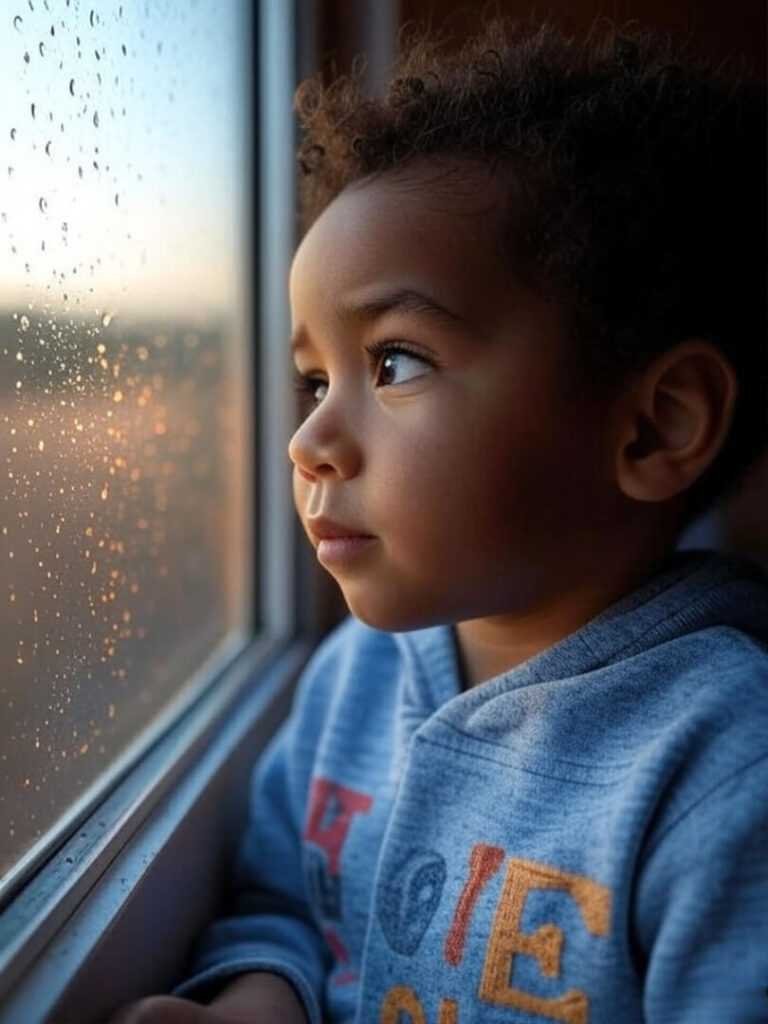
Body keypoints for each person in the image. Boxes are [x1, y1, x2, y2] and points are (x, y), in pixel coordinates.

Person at [109, 16, 768, 1024]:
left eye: (396, 362)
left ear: (652, 427)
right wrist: (253, 1004)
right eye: (313, 377)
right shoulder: (356, 681)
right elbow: (288, 904)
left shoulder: (723, 761)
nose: (310, 438)